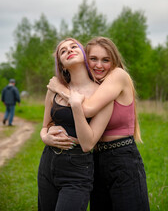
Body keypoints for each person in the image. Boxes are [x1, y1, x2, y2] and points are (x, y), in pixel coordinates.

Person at [47, 37, 150, 211]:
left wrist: (59, 88)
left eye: (106, 60)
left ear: (114, 61)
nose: (99, 65)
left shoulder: (118, 75)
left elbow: (85, 109)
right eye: (93, 59)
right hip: (94, 159)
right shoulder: (93, 86)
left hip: (122, 157)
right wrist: (47, 132)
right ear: (86, 61)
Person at [38, 38, 113, 211]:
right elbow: (44, 126)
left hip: (78, 168)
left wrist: (76, 104)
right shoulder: (53, 89)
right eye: (63, 51)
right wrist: (46, 138)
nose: (69, 50)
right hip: (48, 162)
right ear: (62, 65)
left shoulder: (102, 93)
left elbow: (89, 144)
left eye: (73, 46)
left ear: (84, 55)